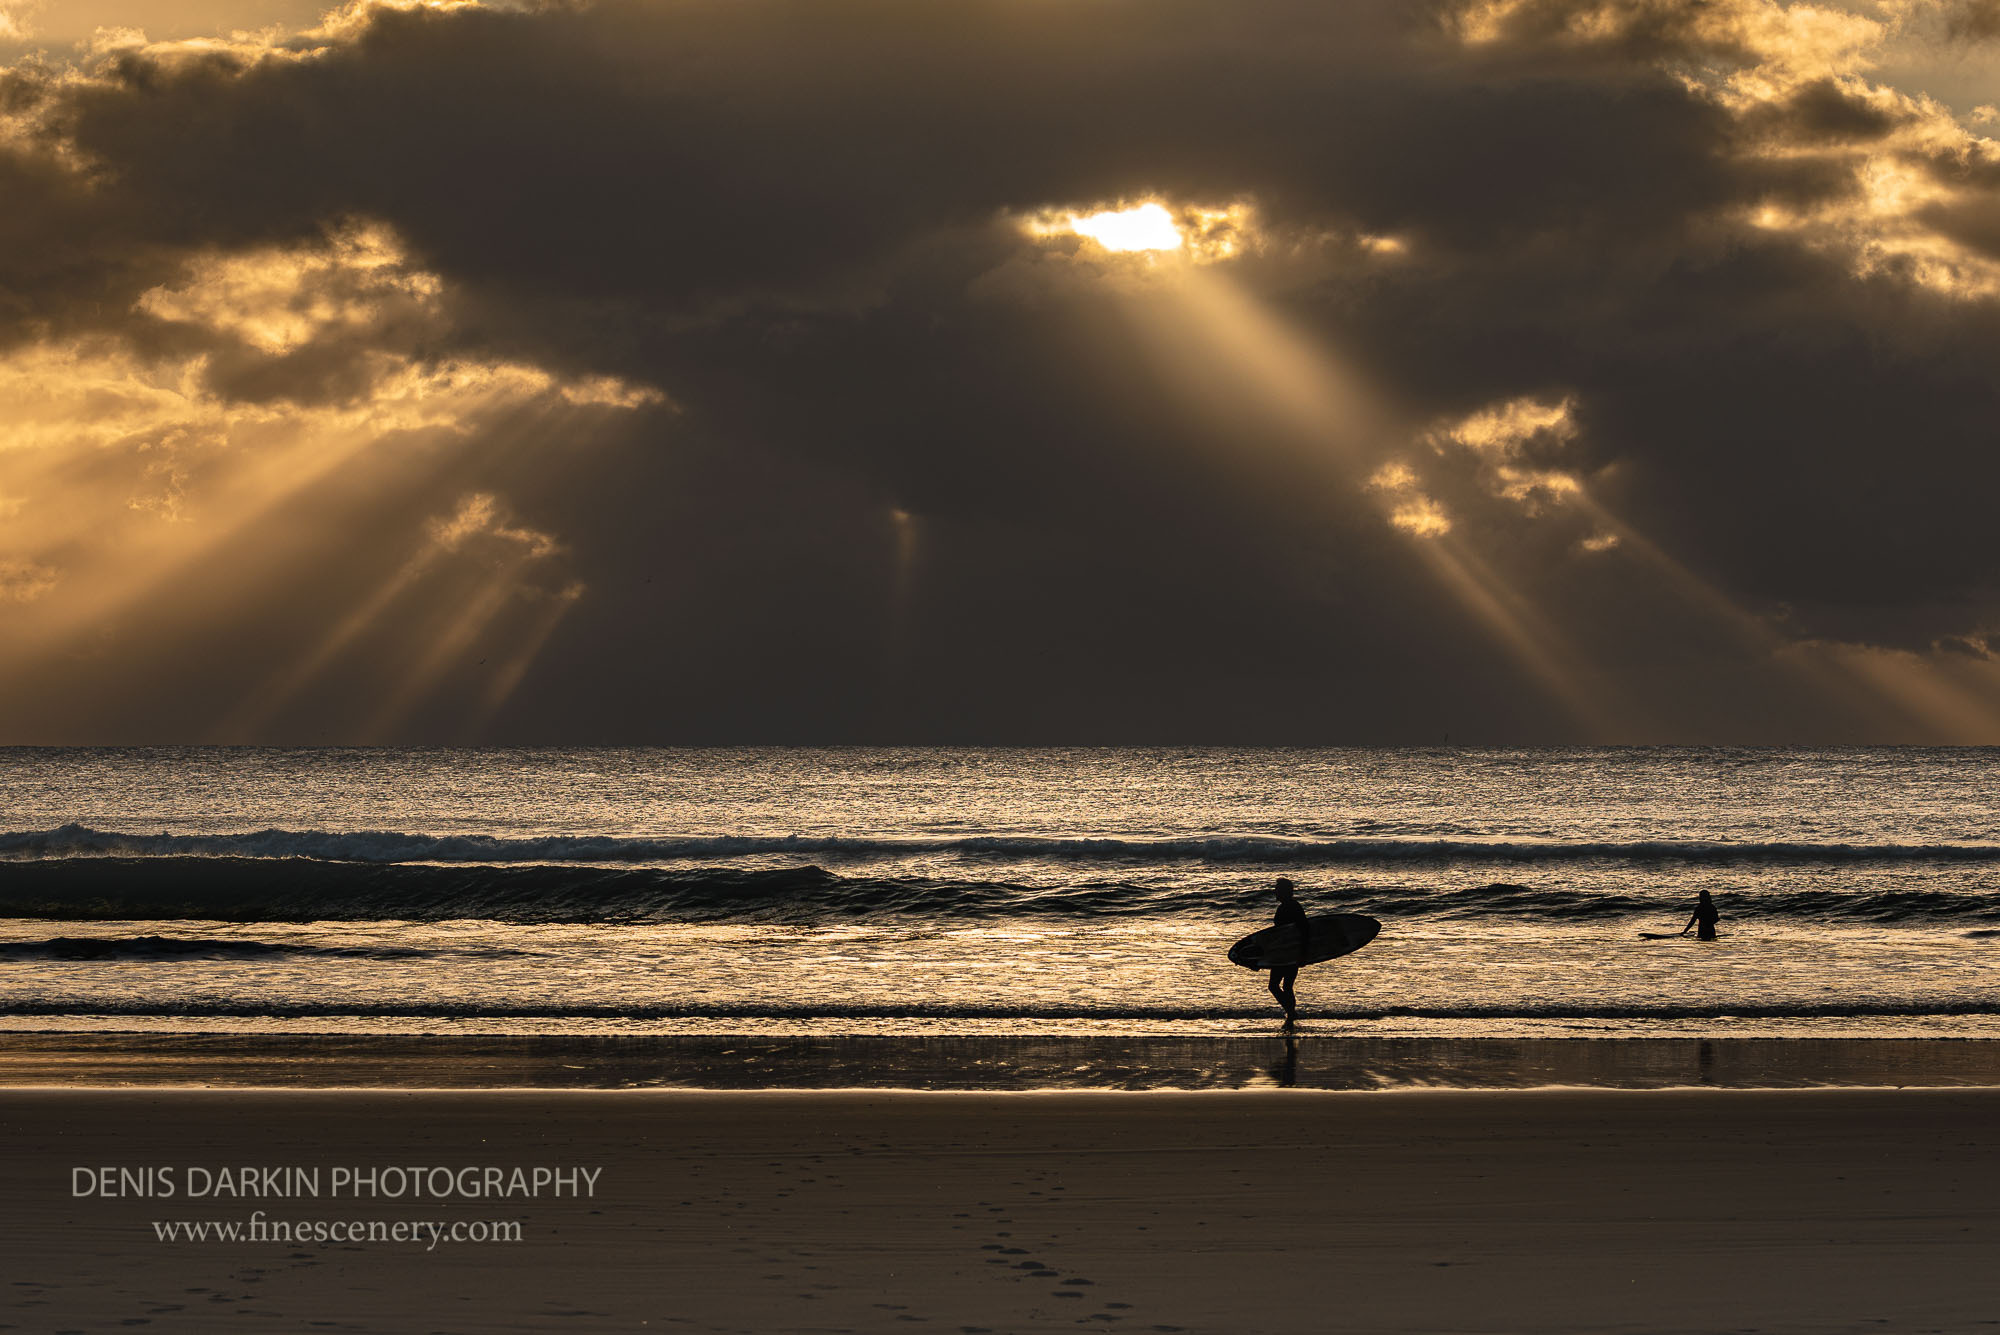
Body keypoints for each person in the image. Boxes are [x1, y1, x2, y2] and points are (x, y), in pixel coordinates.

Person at [1267, 877, 1310, 1023]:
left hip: (1288, 953)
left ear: (1284, 891)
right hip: (1286, 952)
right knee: (1285, 986)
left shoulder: (1291, 907)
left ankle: (1291, 1013)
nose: (1275, 891)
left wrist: (1303, 953)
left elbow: (1304, 930)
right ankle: (1291, 1013)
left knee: (1276, 985)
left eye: (1277, 889)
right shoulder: (1289, 906)